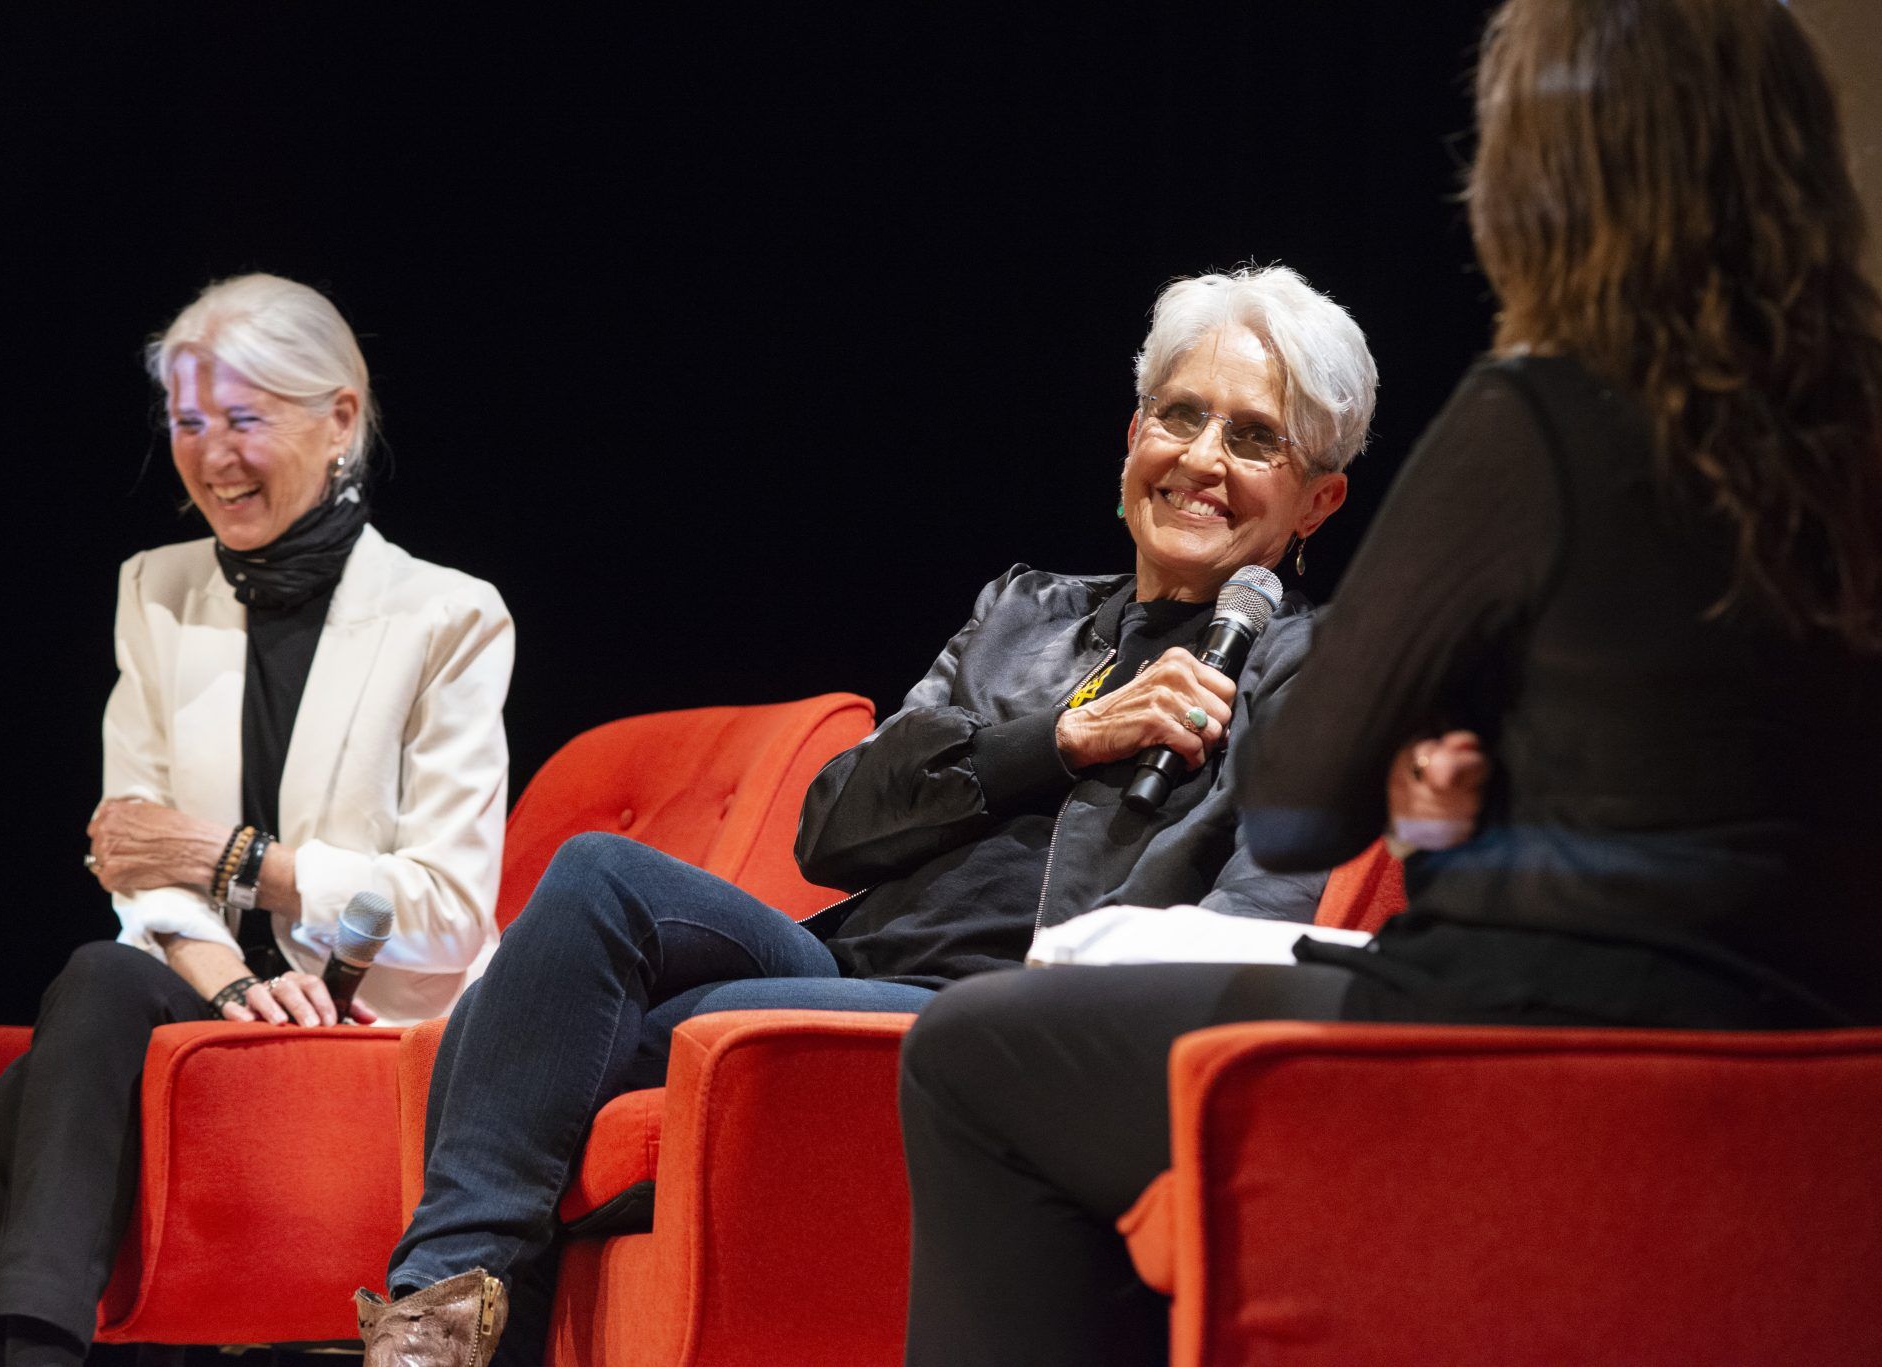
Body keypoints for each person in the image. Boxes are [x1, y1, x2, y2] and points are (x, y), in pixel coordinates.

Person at [897, 1, 1882, 1362]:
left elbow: (1299, 806)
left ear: (1540, 178)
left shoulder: (1536, 413)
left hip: (1532, 1045)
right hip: (1828, 1061)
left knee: (972, 1050)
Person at [355, 264, 1379, 1366]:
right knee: (598, 878)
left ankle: (434, 1331)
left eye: (1252, 438)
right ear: (1132, 435)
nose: (1201, 459)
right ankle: (438, 1325)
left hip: (992, 1014)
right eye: (1180, 415)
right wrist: (1063, 737)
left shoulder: (1303, 671)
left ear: (1315, 498)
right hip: (846, 964)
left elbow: (1248, 932)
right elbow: (833, 824)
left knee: (546, 1034)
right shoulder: (1021, 612)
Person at [0, 273, 513, 1367]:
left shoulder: (450, 615)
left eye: (246, 419)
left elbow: (440, 910)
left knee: (38, 1071)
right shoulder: (157, 588)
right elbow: (137, 862)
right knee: (105, 971)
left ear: (340, 416)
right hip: (200, 990)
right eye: (189, 423)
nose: (211, 455)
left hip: (365, 1019)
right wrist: (235, 985)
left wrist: (237, 859)